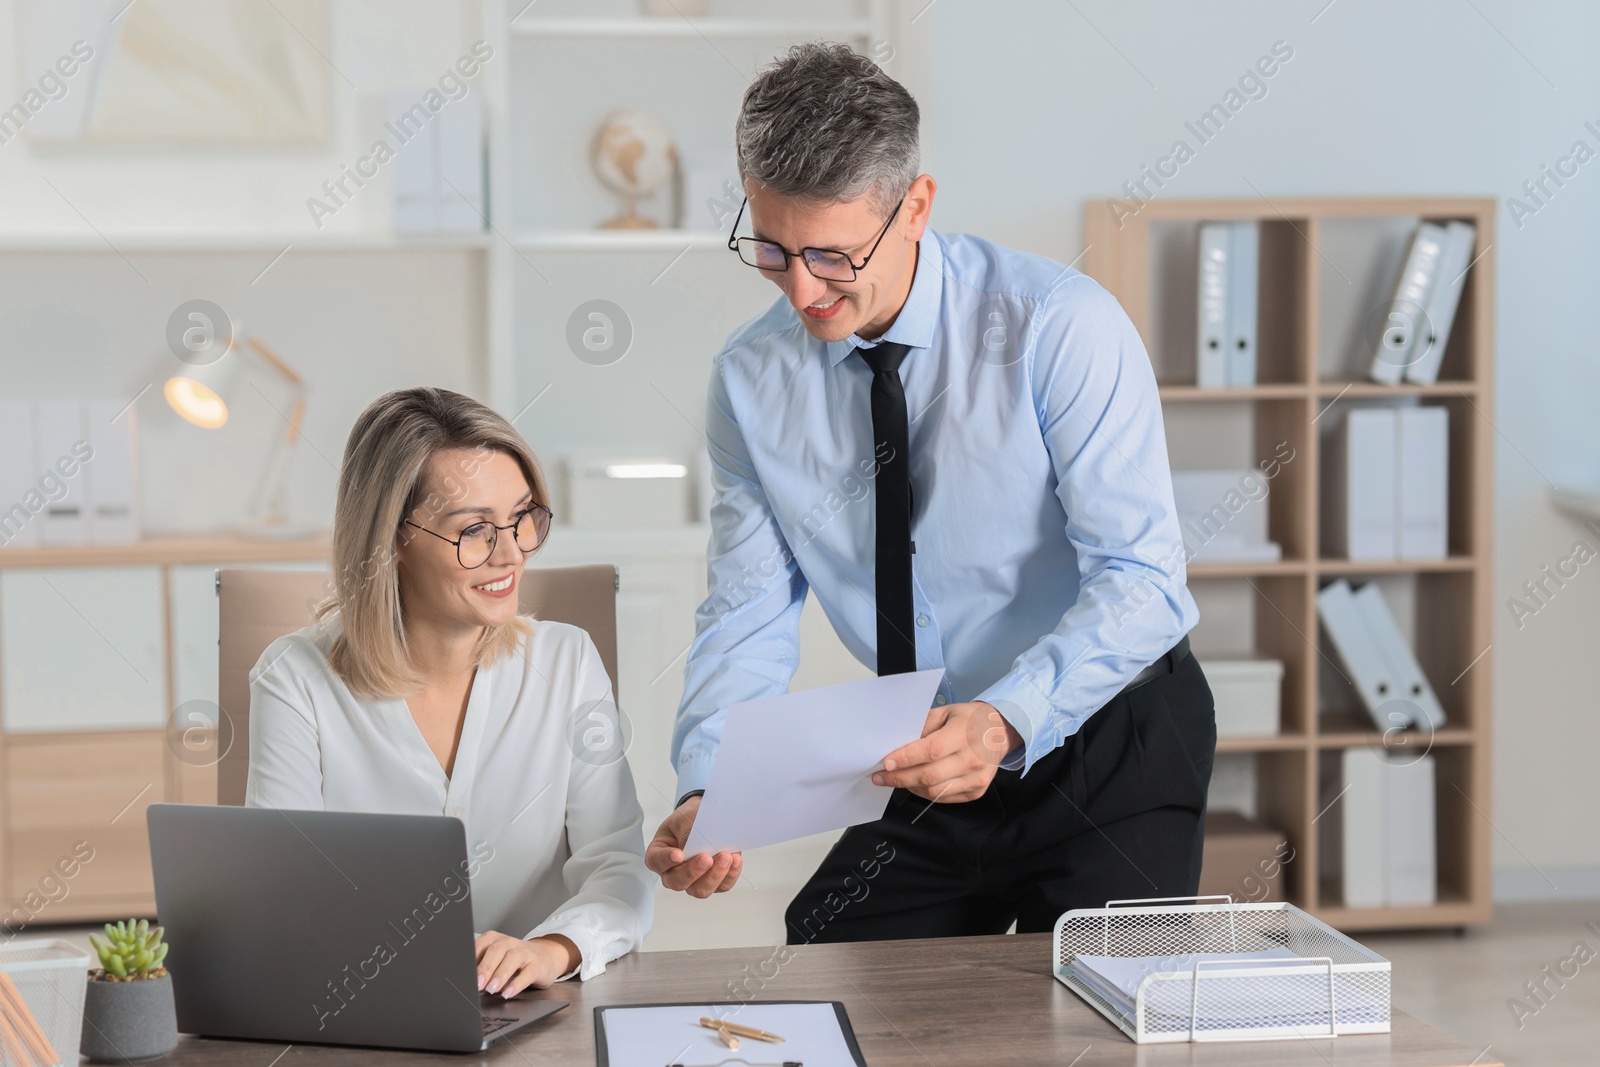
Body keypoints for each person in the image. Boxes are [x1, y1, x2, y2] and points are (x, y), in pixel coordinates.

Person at [646, 43, 1216, 941]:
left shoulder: (1060, 327)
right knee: (833, 961)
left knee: (1105, 1009)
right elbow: (745, 612)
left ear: (915, 207)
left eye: (832, 256)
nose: (801, 292)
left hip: (1108, 734)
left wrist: (1006, 719)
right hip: (928, 747)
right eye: (770, 249)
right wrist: (711, 786)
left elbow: (1144, 580)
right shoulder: (751, 384)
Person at [247, 386, 653, 993]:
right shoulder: (295, 680)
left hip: (538, 1016)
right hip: (362, 1004)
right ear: (392, 539)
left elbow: (617, 865)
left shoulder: (567, 663)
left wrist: (553, 950)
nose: (511, 553)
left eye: (523, 518)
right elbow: (282, 891)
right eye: (475, 531)